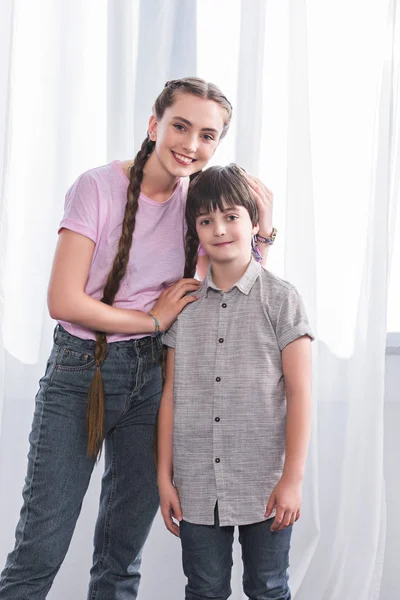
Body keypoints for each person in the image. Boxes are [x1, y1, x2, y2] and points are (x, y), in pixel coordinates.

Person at [0, 79, 274, 599]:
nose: (192, 144)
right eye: (181, 125)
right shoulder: (97, 187)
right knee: (39, 552)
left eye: (208, 135)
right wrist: (151, 319)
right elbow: (64, 301)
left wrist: (265, 233)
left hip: (153, 379)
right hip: (82, 372)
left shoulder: (199, 202)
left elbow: (238, 288)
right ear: (154, 125)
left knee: (121, 558)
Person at [157, 164, 314, 600]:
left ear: (254, 222)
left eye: (230, 216)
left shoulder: (281, 299)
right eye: (206, 220)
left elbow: (300, 394)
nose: (219, 229)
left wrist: (292, 480)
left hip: (265, 481)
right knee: (204, 589)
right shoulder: (183, 305)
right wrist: (164, 477)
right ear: (195, 229)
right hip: (196, 482)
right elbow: (170, 395)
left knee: (267, 587)